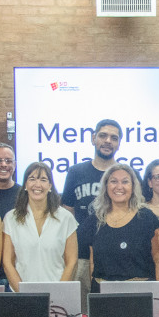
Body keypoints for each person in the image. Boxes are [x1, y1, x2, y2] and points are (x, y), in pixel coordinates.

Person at [62, 120, 122, 301]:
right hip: (80, 256)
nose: (108, 141)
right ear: (93, 138)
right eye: (103, 135)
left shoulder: (125, 175)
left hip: (115, 255)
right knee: (79, 315)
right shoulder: (75, 172)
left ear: (119, 143)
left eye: (114, 137)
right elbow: (67, 212)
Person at [3, 161, 79, 288]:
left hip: (58, 294)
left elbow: (71, 262)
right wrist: (24, 294)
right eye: (32, 179)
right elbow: (7, 262)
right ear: (25, 185)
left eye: (43, 180)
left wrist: (59, 291)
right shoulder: (11, 218)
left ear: (50, 186)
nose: (37, 184)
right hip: (21, 295)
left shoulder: (66, 218)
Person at [88, 164, 159, 287]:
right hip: (103, 295)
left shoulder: (147, 217)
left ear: (133, 187)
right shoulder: (95, 219)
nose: (119, 187)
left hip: (140, 293)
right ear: (106, 186)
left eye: (125, 182)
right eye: (113, 181)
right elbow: (92, 263)